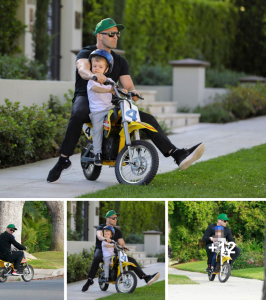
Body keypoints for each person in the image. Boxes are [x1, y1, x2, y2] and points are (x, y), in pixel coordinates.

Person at [47, 17, 205, 183]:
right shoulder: (87, 53)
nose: (116, 37)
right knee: (78, 112)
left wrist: (133, 91)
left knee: (147, 119)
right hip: (87, 98)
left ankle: (177, 154)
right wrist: (93, 75)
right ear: (99, 36)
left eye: (117, 34)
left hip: (110, 101)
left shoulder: (120, 61)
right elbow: (82, 69)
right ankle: (63, 159)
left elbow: (128, 84)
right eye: (112, 34)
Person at [82, 210, 160, 292]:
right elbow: (99, 235)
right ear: (108, 219)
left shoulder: (118, 232)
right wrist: (105, 238)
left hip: (113, 251)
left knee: (131, 260)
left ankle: (146, 278)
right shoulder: (101, 227)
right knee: (97, 257)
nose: (116, 219)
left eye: (116, 218)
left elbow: (122, 243)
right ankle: (90, 280)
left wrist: (124, 247)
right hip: (101, 250)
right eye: (114, 218)